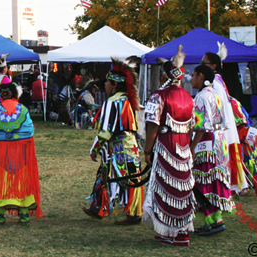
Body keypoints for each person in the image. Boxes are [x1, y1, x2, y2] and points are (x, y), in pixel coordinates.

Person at [142, 46, 196, 246]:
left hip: (166, 145)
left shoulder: (159, 95)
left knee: (166, 188)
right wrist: (188, 149)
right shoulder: (188, 97)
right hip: (183, 148)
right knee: (181, 188)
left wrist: (147, 150)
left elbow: (152, 125)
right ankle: (177, 231)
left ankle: (173, 233)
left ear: (164, 76)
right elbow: (191, 126)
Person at [84, 58, 143, 225]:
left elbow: (106, 131)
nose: (105, 86)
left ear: (115, 85)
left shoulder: (112, 102)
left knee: (118, 177)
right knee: (130, 176)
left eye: (107, 83)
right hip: (131, 145)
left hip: (118, 148)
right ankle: (100, 207)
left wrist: (95, 148)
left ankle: (130, 213)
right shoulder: (128, 100)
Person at [0, 82, 43, 225]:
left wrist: (5, 137)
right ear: (16, 94)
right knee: (21, 180)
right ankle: (24, 215)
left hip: (1, 153)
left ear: (1, 95)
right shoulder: (23, 110)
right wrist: (15, 136)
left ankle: (0, 216)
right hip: (20, 152)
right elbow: (29, 131)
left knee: (1, 181)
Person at [188, 65, 233, 236]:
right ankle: (215, 220)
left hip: (205, 141)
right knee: (211, 182)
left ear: (201, 76)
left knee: (199, 183)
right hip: (218, 141)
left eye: (193, 75)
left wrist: (192, 147)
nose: (191, 79)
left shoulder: (201, 97)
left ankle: (213, 221)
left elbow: (201, 126)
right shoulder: (215, 93)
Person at [202, 45, 248, 194]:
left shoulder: (214, 82)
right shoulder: (217, 79)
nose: (201, 66)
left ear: (213, 66)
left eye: (204, 63)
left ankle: (224, 184)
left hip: (219, 126)